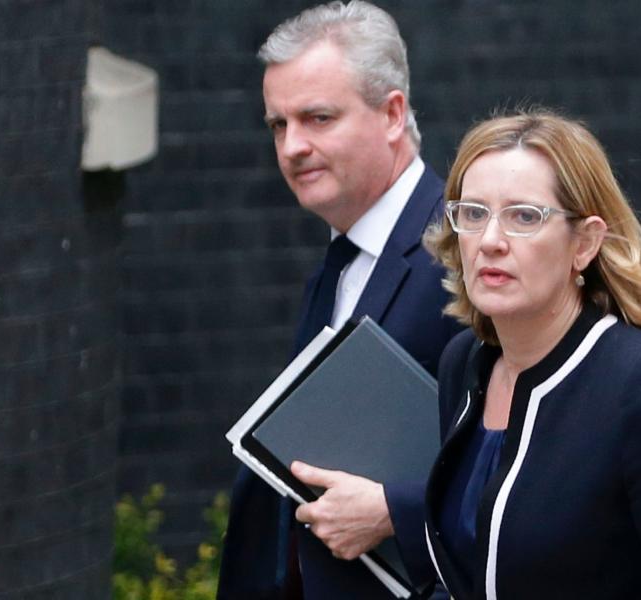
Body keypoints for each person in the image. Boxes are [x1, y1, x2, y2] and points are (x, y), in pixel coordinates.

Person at [420, 109, 641, 599]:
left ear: (584, 243)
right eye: (473, 213)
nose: (490, 241)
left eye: (523, 216)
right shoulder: (465, 364)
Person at [218, 2, 461, 599]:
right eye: (278, 125)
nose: (293, 146)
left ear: (392, 115)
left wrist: (395, 509)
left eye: (318, 118)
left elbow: (526, 463)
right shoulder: (339, 262)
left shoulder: (465, 255)